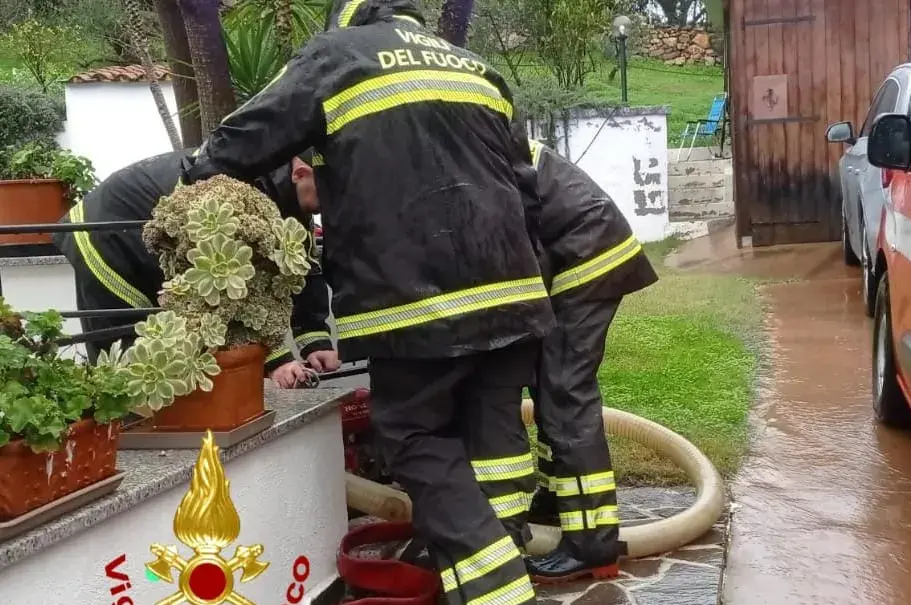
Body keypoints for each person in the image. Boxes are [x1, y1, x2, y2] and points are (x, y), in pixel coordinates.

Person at [179, 1, 555, 603]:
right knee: (495, 439)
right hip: (512, 292)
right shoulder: (475, 68)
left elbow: (252, 131)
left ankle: (499, 585)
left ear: (348, 17)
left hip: (416, 302)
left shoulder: (336, 55)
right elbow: (524, 183)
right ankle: (495, 548)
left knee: (409, 433)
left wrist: (197, 172)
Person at [54, 149, 340, 387]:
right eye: (327, 190)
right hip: (104, 233)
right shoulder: (237, 188)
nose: (332, 203)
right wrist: (276, 360)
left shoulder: (289, 196)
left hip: (152, 236)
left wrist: (315, 340)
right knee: (127, 349)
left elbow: (302, 266)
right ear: (299, 172)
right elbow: (231, 286)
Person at [515, 137, 659, 583]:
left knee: (563, 394)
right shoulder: (472, 131)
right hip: (577, 246)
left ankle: (591, 544)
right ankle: (558, 499)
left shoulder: (467, 147)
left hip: (587, 253)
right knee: (545, 384)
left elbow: (520, 246)